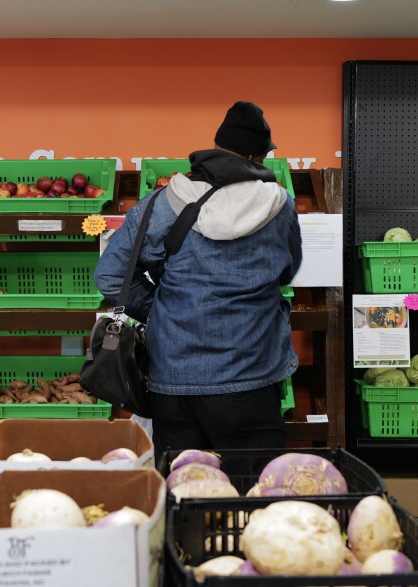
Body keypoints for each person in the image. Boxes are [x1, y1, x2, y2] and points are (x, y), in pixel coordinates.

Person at [94, 101, 303, 461]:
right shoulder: (280, 206)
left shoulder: (162, 203)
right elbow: (287, 270)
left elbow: (111, 275)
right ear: (258, 156)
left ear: (217, 146)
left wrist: (159, 309)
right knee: (253, 484)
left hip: (174, 379)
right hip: (251, 374)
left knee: (183, 482)